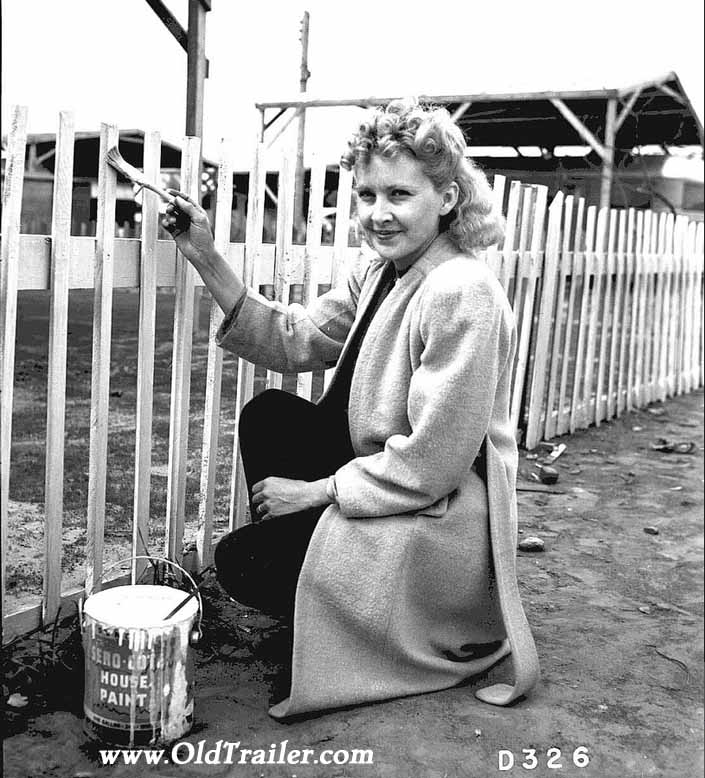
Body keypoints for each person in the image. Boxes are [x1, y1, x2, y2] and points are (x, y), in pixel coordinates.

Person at [162, 99, 539, 719]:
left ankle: (362, 613)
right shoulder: (384, 270)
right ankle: (319, 587)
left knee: (244, 563)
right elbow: (292, 335)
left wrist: (312, 493)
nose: (378, 214)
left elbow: (433, 463)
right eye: (366, 195)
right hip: (384, 479)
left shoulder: (462, 291)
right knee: (271, 416)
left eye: (399, 194)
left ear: (447, 198)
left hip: (442, 512)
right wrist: (202, 251)